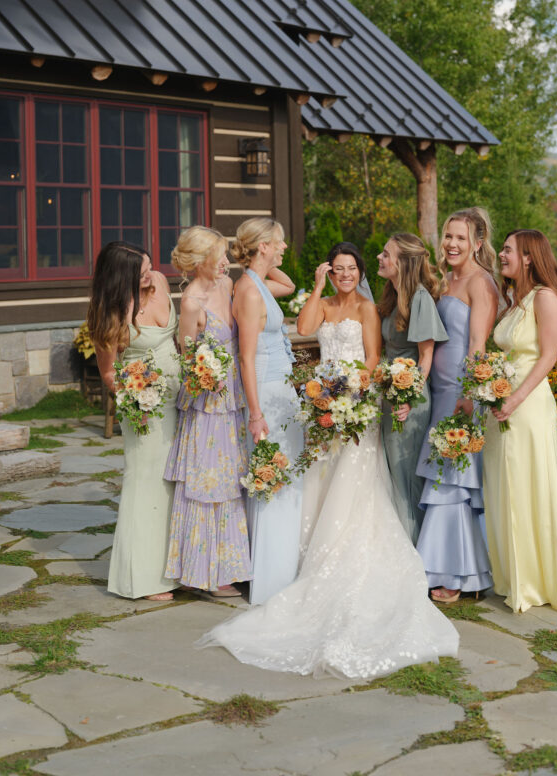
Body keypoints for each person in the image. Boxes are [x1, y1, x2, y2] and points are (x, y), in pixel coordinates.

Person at [198, 241, 459, 678]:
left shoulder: (368, 309)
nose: (345, 275)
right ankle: (308, 564)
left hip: (355, 406)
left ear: (360, 272)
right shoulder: (325, 299)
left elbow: (374, 358)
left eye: (351, 269)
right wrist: (316, 286)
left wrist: (349, 395)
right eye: (337, 269)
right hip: (323, 406)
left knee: (354, 486)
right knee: (319, 482)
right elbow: (304, 323)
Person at [483, 229, 557, 615]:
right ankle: (515, 577)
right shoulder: (514, 302)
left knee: (529, 485)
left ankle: (540, 581)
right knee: (505, 488)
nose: (501, 254)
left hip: (528, 405)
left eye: (508, 249)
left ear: (529, 256)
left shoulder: (544, 298)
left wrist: (514, 398)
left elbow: (548, 357)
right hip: (500, 405)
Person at [416, 207, 499, 603]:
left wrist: (469, 396)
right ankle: (440, 566)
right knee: (442, 478)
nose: (451, 243)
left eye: (460, 238)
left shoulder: (480, 283)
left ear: (478, 243)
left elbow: (478, 345)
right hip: (438, 391)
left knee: (455, 484)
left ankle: (455, 575)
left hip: (460, 395)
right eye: (448, 236)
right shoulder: (448, 279)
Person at [88, 241, 179, 602]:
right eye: (141, 272)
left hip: (180, 398)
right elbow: (109, 373)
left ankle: (177, 567)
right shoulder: (109, 313)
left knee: (175, 483)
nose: (150, 274)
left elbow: (178, 340)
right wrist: (138, 397)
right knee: (146, 484)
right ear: (121, 277)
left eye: (150, 266)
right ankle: (144, 578)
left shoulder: (159, 281)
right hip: (144, 407)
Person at [163, 226, 251, 599]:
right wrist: (206, 376)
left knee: (231, 483)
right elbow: (187, 357)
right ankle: (205, 572)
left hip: (232, 401)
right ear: (200, 261)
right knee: (207, 487)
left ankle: (232, 565)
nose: (226, 263)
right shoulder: (191, 302)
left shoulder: (227, 286)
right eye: (220, 257)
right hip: (207, 407)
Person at [230, 217, 304, 606]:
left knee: (282, 477)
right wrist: (256, 413)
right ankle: (272, 577)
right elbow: (246, 357)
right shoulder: (250, 291)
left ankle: (278, 568)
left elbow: (287, 283)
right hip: (267, 394)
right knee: (273, 477)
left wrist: (259, 257)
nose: (284, 249)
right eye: (278, 243)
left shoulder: (256, 284)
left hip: (280, 391)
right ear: (262, 247)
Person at [377, 233, 447, 544]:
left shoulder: (419, 299)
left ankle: (417, 553)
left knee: (408, 480)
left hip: (410, 402)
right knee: (395, 477)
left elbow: (426, 355)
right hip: (391, 397)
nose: (380, 257)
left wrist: (407, 398)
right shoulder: (392, 296)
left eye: (386, 254)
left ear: (403, 262)